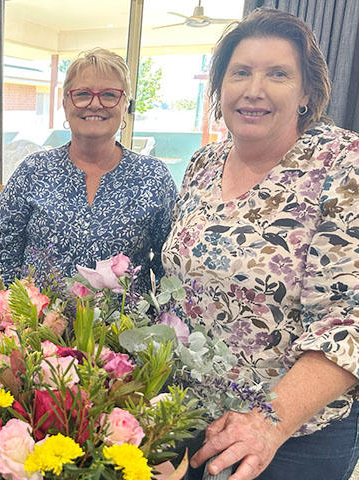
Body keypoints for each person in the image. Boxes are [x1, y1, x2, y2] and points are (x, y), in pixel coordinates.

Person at [162, 8, 359, 480]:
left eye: (278, 74)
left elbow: (348, 321)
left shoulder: (342, 165)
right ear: (219, 88)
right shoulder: (203, 164)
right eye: (241, 73)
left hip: (290, 436)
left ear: (307, 91)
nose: (254, 90)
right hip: (189, 416)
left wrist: (267, 424)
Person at [0, 48, 176, 291]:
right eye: (83, 94)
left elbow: (169, 268)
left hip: (126, 328)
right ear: (66, 104)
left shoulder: (153, 178)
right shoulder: (32, 171)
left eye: (109, 95)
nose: (95, 104)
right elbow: (1, 256)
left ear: (125, 105)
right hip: (35, 325)